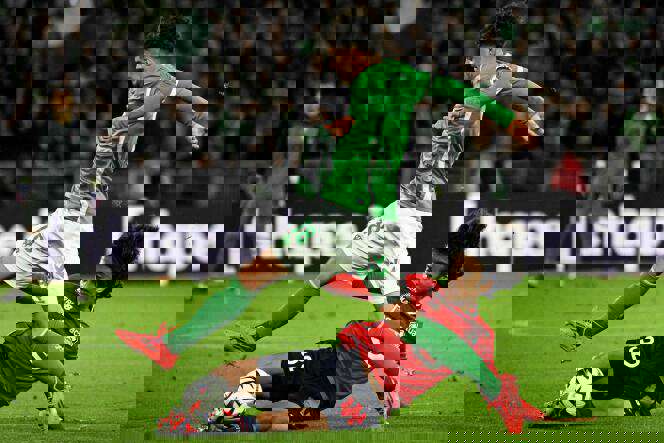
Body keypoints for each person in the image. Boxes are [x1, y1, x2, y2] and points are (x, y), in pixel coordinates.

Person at [544, 335, 664, 418]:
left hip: (608, 375)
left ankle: (571, 403)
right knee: (632, 407)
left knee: (643, 404)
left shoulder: (655, 354)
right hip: (594, 376)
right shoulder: (652, 363)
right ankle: (570, 406)